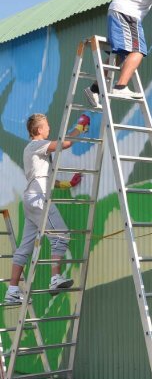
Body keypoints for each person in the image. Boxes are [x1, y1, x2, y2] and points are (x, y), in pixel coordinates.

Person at [4, 112, 90, 304]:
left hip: (32, 200)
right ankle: (55, 278)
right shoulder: (36, 145)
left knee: (24, 248)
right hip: (39, 199)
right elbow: (64, 144)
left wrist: (68, 184)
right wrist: (80, 127)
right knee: (61, 235)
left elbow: (48, 180)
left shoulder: (34, 150)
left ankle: (12, 291)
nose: (49, 128)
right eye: (47, 126)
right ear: (39, 130)